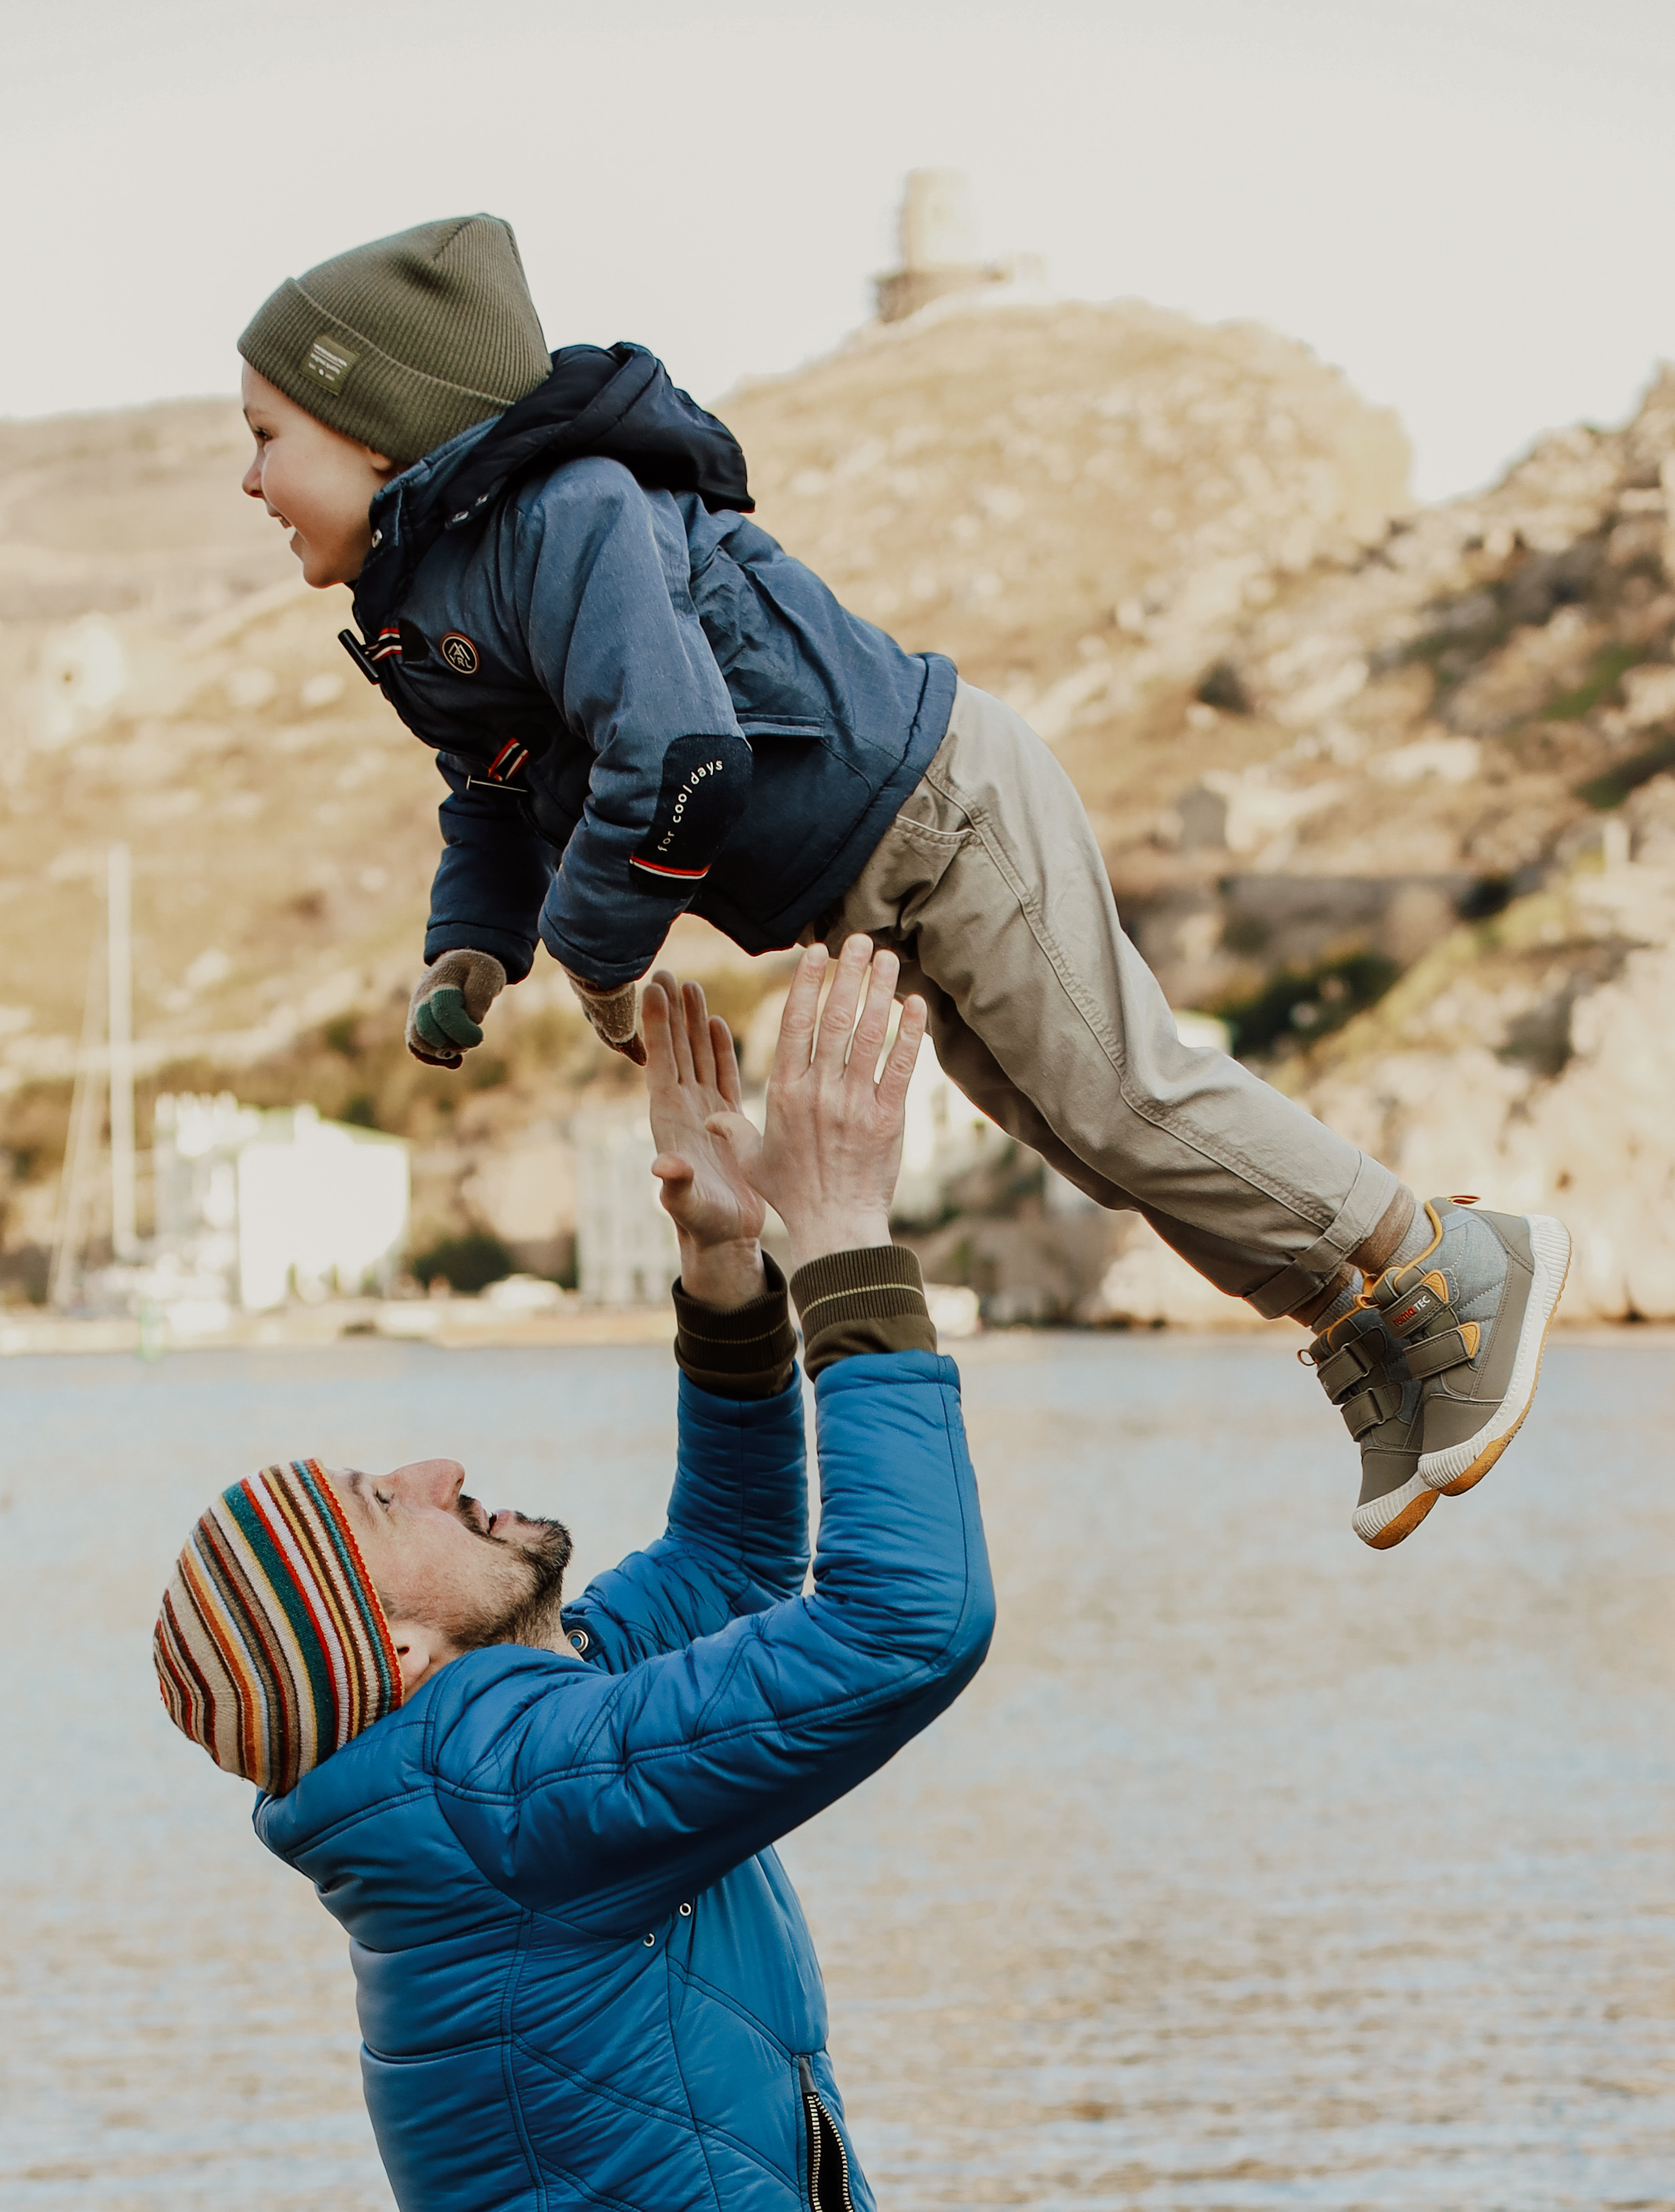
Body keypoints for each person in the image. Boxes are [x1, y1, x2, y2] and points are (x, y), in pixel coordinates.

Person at [233, 216, 1570, 1547]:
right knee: (1080, 1139)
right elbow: (493, 793)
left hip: (942, 805)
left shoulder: (566, 517)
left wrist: (594, 942)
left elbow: (682, 751)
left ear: (375, 427)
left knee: (1125, 1098)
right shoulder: (418, 613)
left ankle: (1443, 1259)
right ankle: (1373, 1326)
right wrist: (471, 947)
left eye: (264, 438)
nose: (249, 482)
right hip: (871, 881)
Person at [153, 937, 992, 2212]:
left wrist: (727, 1265)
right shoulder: (512, 1792)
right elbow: (901, 1620)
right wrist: (853, 1231)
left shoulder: (493, 1758)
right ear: (392, 1649)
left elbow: (732, 1563)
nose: (442, 1468)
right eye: (383, 1502)